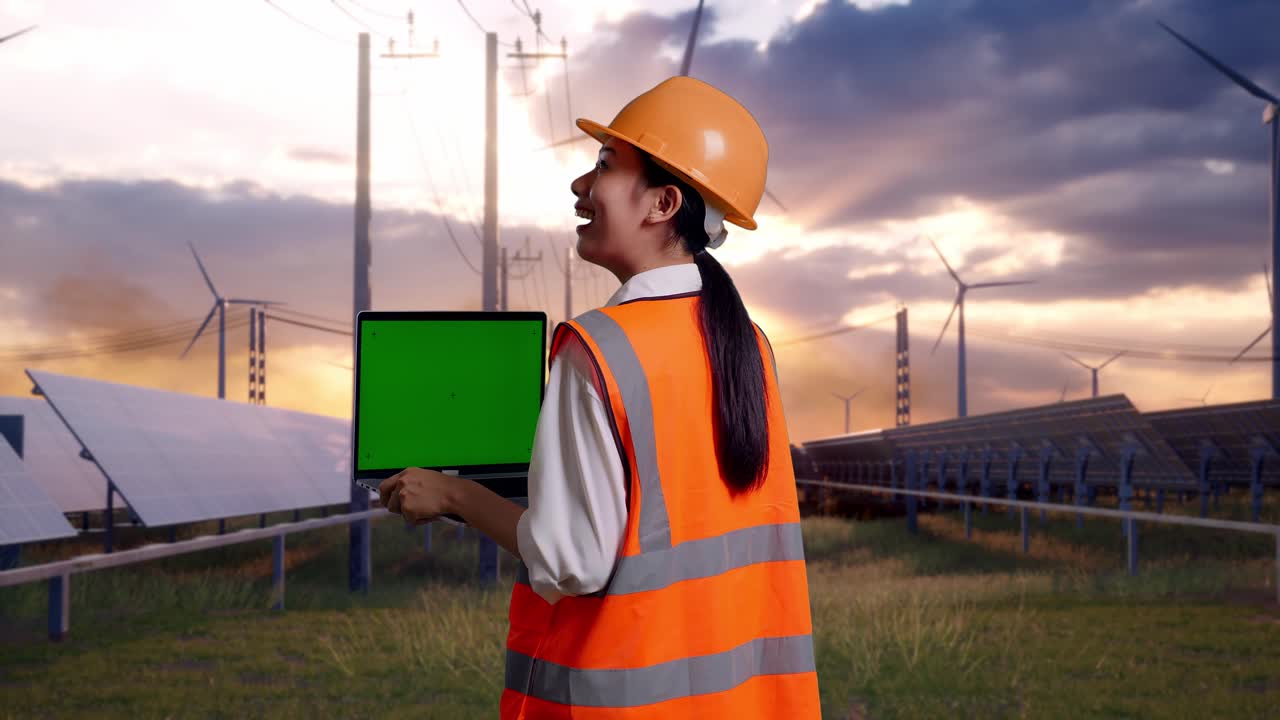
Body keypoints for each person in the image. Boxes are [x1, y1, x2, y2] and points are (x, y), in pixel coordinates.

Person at [380, 76, 820, 718]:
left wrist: (455, 495)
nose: (580, 185)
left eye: (606, 166)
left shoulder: (599, 348)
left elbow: (572, 562)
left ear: (663, 203)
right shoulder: (749, 345)